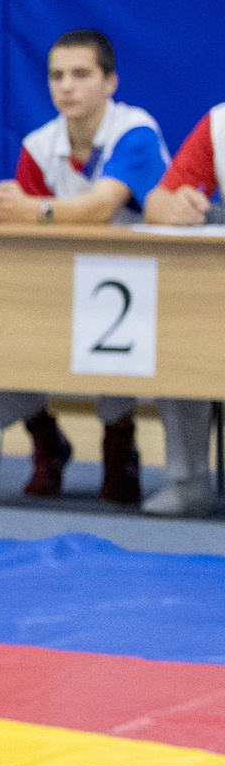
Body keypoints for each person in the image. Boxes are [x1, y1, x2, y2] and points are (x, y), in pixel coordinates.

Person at [0, 30, 169, 504]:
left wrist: (32, 210)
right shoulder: (40, 146)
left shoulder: (135, 132)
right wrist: (2, 209)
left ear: (110, 82)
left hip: (145, 286)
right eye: (57, 76)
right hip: (59, 280)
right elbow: (24, 228)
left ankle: (119, 441)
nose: (66, 87)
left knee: (114, 320)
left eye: (81, 74)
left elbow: (102, 206)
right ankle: (43, 436)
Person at [141, 97, 225, 516]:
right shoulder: (219, 124)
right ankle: (188, 480)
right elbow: (156, 201)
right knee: (176, 327)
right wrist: (173, 207)